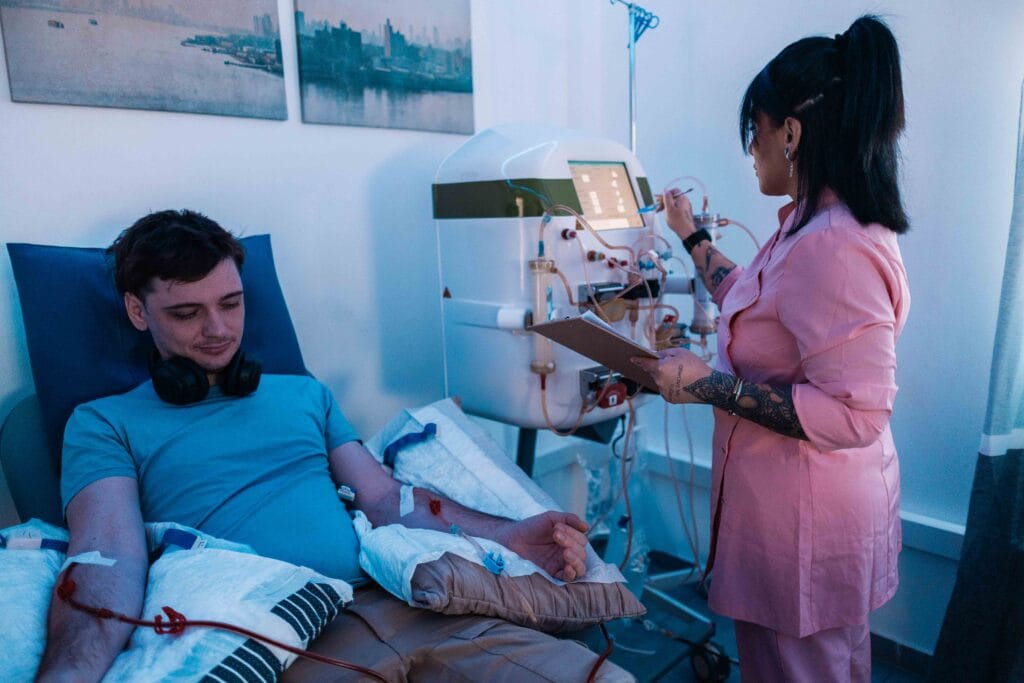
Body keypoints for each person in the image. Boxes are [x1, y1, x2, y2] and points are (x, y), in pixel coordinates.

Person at [36, 209, 632, 682]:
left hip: (411, 606)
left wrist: (510, 534)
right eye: (187, 313)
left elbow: (385, 499)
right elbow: (107, 560)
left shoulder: (303, 395)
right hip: (281, 644)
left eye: (231, 304)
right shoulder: (104, 423)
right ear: (138, 312)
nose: (217, 330)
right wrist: (68, 674)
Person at [633, 15, 909, 682]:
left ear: (791, 132)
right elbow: (747, 298)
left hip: (806, 526)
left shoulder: (834, 245)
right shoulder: (807, 228)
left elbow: (857, 414)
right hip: (793, 512)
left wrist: (707, 385)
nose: (750, 149)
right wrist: (691, 235)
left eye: (753, 131)